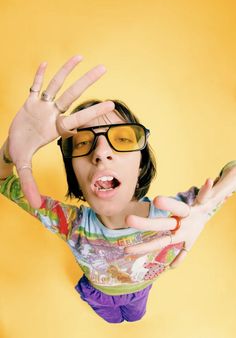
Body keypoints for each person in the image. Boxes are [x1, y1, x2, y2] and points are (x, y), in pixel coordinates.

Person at [0, 56, 235, 323]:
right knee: (110, 320)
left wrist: (210, 202)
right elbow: (2, 179)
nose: (100, 152)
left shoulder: (179, 217)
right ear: (74, 174)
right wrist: (10, 150)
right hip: (98, 294)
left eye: (122, 139)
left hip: (140, 291)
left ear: (140, 165)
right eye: (82, 142)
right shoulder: (69, 224)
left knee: (135, 317)